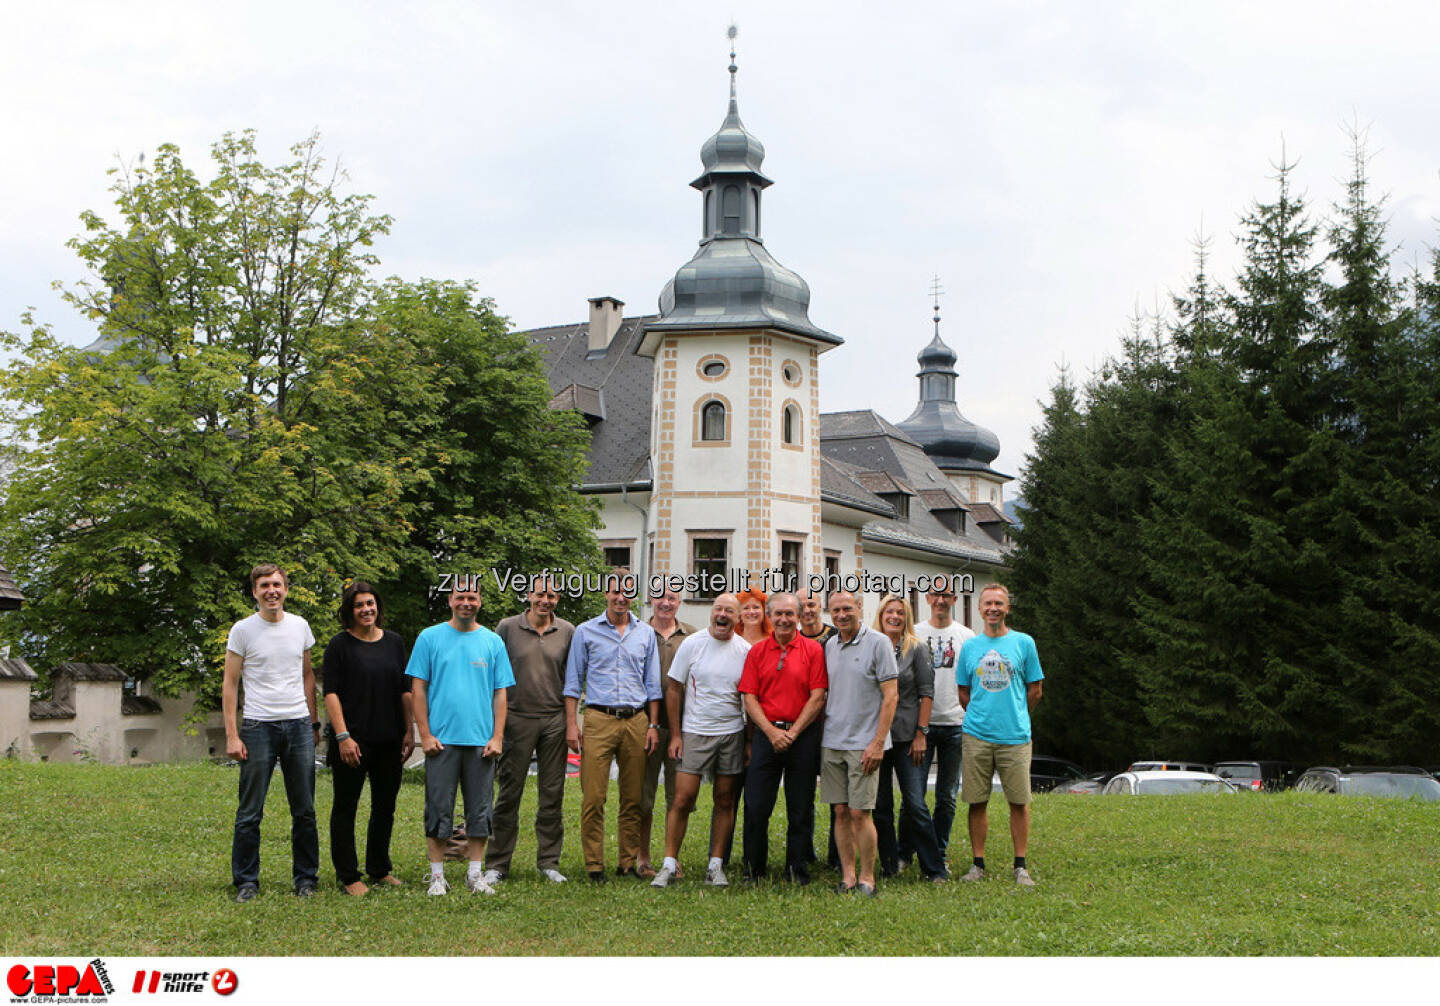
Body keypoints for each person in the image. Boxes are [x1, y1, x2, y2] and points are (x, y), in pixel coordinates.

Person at [408, 581, 515, 896]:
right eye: (460, 597)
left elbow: (500, 693)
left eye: (472, 597)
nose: (466, 602)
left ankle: (474, 874)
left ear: (480, 601)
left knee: (480, 811)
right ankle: (437, 877)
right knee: (438, 809)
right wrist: (424, 735)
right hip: (441, 741)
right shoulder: (430, 638)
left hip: (481, 743)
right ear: (450, 600)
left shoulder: (492, 642)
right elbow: (418, 689)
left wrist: (497, 736)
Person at [223, 563, 320, 902]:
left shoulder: (300, 627)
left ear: (286, 589)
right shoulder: (242, 630)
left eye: (277, 584)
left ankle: (306, 879)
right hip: (257, 727)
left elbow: (308, 676)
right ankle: (246, 881)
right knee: (250, 811)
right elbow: (230, 683)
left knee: (305, 809)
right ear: (255, 592)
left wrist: (313, 721)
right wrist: (232, 735)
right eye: (264, 585)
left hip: (297, 725)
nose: (271, 591)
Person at [564, 569, 663, 881]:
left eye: (627, 592)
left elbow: (654, 685)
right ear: (605, 594)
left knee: (632, 797)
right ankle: (594, 865)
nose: (621, 598)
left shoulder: (645, 633)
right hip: (598, 718)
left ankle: (626, 863)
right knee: (594, 796)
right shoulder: (586, 632)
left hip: (636, 720)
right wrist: (571, 725)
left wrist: (653, 725)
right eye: (615, 592)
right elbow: (572, 683)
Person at [650, 593, 751, 888]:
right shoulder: (692, 645)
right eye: (718, 609)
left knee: (724, 799)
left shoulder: (744, 650)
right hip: (694, 732)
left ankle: (715, 865)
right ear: (712, 613)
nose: (722, 615)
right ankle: (669, 863)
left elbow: (748, 698)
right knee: (682, 799)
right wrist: (677, 735)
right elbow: (674, 689)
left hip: (732, 732)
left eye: (729, 611)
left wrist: (746, 742)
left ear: (738, 618)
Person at [482, 574, 574, 887]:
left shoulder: (567, 631)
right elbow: (494, 677)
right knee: (509, 793)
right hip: (516, 718)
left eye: (551, 596)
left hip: (553, 720)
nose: (545, 600)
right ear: (528, 596)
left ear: (557, 599)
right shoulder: (507, 627)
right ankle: (497, 863)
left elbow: (572, 678)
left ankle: (549, 861)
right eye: (539, 595)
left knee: (552, 794)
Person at [322, 581, 414, 895]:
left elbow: (405, 689)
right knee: (345, 808)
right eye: (359, 605)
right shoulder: (339, 645)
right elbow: (330, 693)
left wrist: (409, 729)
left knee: (384, 807)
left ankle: (379, 869)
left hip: (389, 739)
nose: (366, 610)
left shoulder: (394, 642)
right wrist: (343, 736)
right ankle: (349, 876)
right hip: (353, 741)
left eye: (371, 604)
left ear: (378, 607)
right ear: (350, 610)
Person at [957, 583, 1044, 887]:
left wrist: (1017, 712)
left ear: (1008, 608)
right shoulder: (970, 647)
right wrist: (983, 714)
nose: (993, 608)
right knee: (976, 801)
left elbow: (1035, 690)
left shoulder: (1024, 643)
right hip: (976, 735)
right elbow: (963, 692)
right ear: (979, 609)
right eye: (988, 603)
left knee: (1018, 802)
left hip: (1015, 736)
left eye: (999, 603)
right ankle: (977, 864)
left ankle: (1020, 865)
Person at [738, 592, 827, 884]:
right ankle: (754, 869)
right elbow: (749, 697)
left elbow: (817, 697)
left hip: (802, 736)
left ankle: (797, 869)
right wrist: (772, 732)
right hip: (767, 735)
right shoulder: (757, 652)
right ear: (769, 616)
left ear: (799, 616)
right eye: (778, 614)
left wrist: (792, 732)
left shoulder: (813, 651)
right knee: (756, 805)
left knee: (800, 806)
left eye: (790, 614)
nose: (784, 619)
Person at [821, 590, 897, 896]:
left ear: (859, 608)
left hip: (864, 743)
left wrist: (878, 743)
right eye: (836, 610)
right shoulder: (829, 644)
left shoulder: (878, 643)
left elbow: (891, 696)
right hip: (832, 741)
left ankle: (868, 877)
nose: (841, 615)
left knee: (860, 813)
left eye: (847, 609)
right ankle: (848, 875)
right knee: (840, 811)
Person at [870, 595, 946, 881]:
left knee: (915, 803)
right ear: (881, 614)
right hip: (878, 736)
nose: (894, 617)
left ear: (907, 617)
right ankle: (889, 865)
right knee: (881, 806)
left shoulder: (918, 649)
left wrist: (921, 734)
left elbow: (927, 693)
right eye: (889, 611)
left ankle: (934, 868)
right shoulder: (873, 646)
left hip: (906, 738)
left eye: (900, 613)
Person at [638, 585, 698, 877]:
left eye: (672, 597)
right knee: (643, 796)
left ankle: (671, 859)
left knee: (678, 797)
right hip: (644, 725)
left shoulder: (693, 635)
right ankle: (643, 857)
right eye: (659, 596)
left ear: (679, 601)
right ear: (651, 599)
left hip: (681, 728)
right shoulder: (638, 631)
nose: (665, 602)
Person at [913, 579, 973, 862]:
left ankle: (938, 853)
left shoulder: (966, 637)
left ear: (954, 599)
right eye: (935, 595)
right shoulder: (914, 634)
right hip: (920, 727)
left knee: (947, 796)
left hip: (955, 725)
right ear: (927, 598)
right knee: (915, 795)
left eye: (946, 595)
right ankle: (908, 851)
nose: (940, 600)